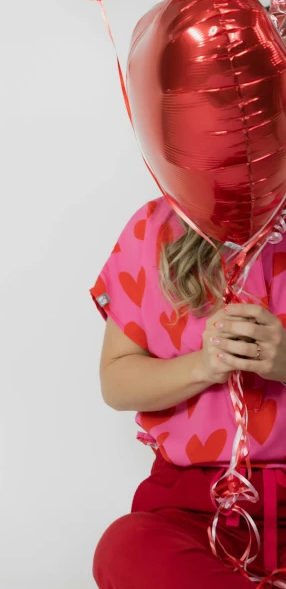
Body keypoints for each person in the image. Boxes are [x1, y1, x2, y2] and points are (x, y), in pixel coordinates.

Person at [89, 196, 286, 589]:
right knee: (125, 549)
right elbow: (115, 382)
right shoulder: (154, 227)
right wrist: (203, 367)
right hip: (191, 509)